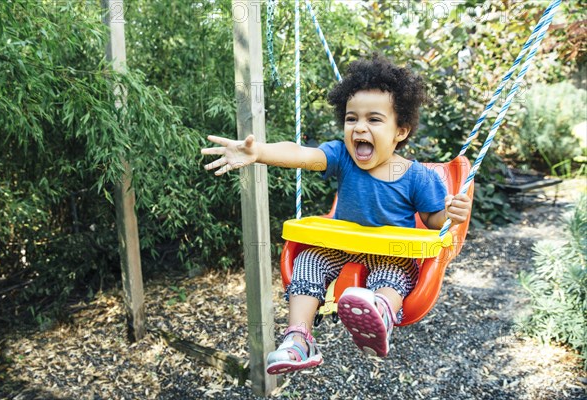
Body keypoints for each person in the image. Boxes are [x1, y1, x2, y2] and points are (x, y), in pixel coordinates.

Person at [201, 54, 472, 374]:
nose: (359, 127)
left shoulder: (417, 176)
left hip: (391, 253)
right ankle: (299, 339)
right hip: (340, 248)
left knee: (394, 272)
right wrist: (259, 152)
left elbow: (433, 221)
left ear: (400, 131)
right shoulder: (342, 156)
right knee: (308, 261)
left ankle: (380, 313)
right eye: (351, 118)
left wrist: (451, 215)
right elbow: (301, 154)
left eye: (374, 119)